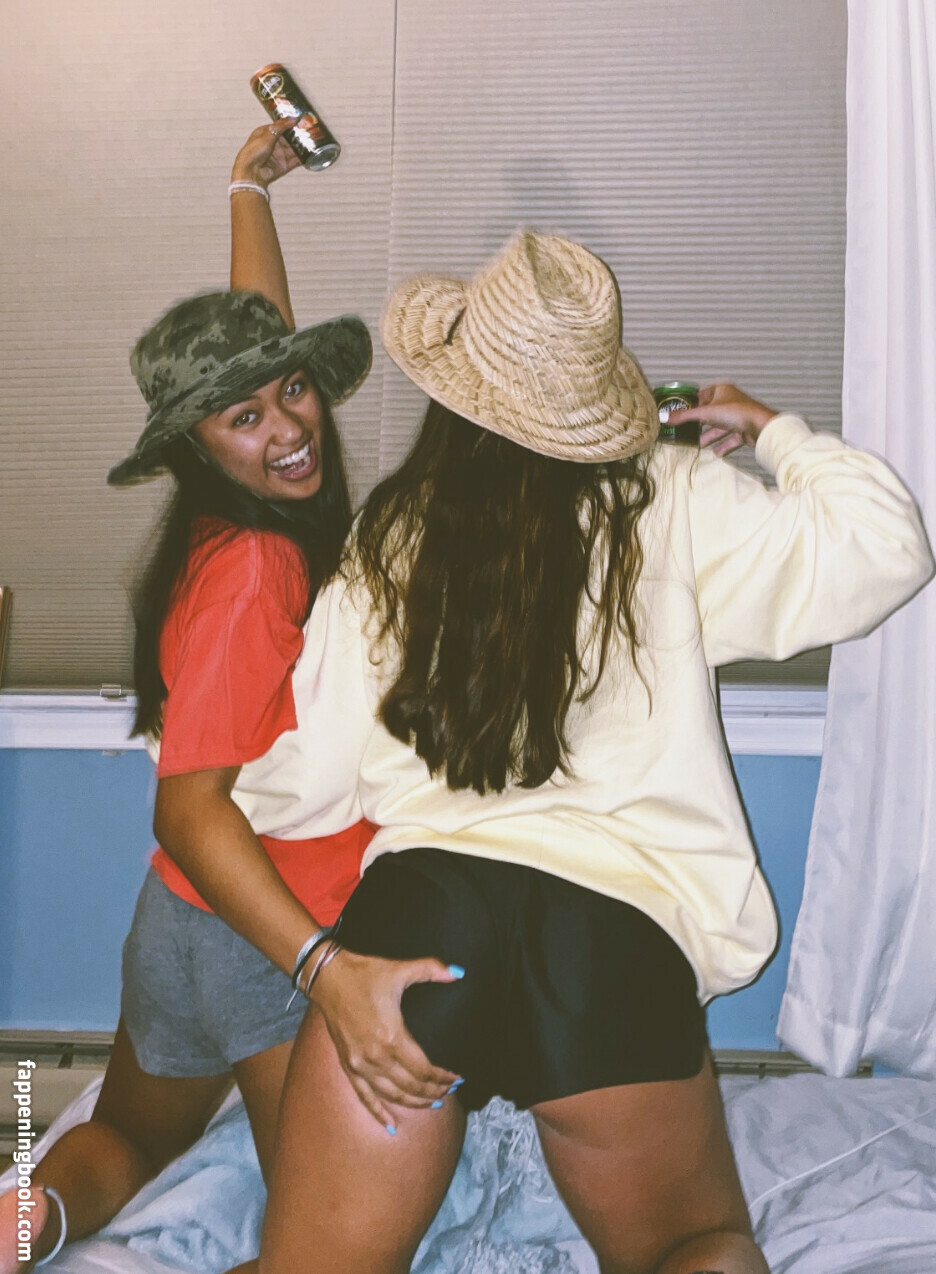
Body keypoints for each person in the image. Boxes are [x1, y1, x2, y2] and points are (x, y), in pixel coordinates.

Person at [255, 231, 935, 1274]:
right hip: (610, 945)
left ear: (457, 388)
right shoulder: (673, 494)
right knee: (699, 1248)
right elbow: (887, 548)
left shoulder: (393, 531)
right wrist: (773, 430)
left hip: (421, 923)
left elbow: (296, 787)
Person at [0, 122, 459, 1274]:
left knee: (124, 1133)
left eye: (293, 390)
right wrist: (328, 973)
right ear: (199, 445)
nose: (290, 426)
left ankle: (18, 1227)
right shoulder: (257, 570)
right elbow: (187, 803)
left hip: (179, 921)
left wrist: (248, 188)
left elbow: (254, 352)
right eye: (246, 418)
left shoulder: (232, 516)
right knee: (326, 1244)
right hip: (263, 938)